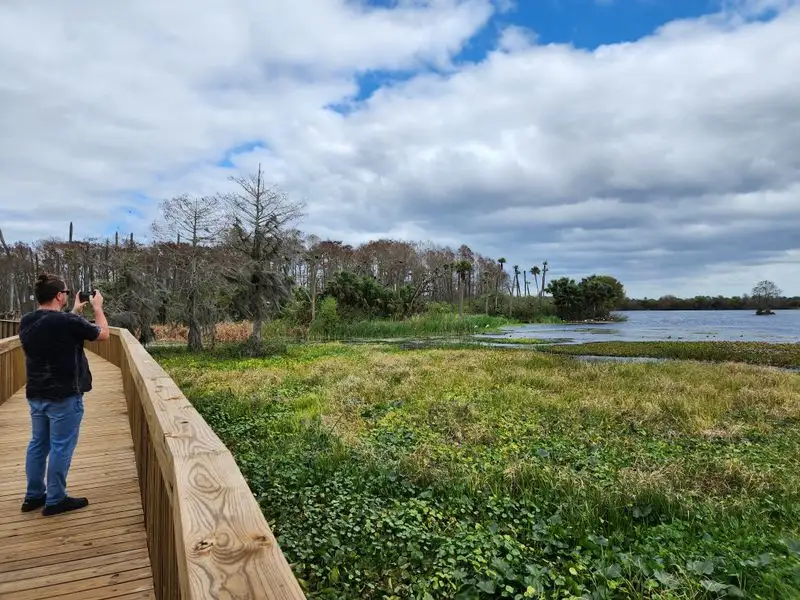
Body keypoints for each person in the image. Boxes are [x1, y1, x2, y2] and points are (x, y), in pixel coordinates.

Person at [18, 273, 109, 516]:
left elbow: (57, 327)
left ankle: (34, 496)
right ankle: (56, 499)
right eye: (66, 293)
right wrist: (98, 308)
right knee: (60, 446)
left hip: (36, 394)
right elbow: (102, 334)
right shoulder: (67, 322)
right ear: (59, 296)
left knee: (38, 444)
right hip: (64, 395)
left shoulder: (27, 321)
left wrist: (76, 310)